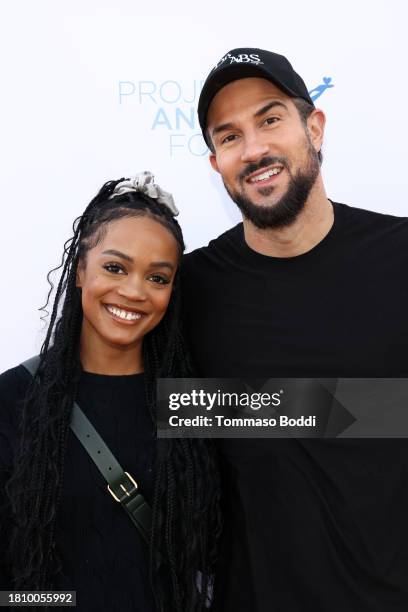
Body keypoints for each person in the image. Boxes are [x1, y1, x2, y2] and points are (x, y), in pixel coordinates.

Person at [181, 48, 408, 611]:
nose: (253, 148)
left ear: (315, 127)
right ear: (216, 164)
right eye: (228, 136)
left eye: (270, 119)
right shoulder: (188, 290)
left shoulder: (400, 257)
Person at [0, 172, 221, 612]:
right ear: (81, 270)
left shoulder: (192, 402)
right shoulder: (13, 400)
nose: (134, 291)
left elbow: (333, 414)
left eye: (158, 278)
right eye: (115, 267)